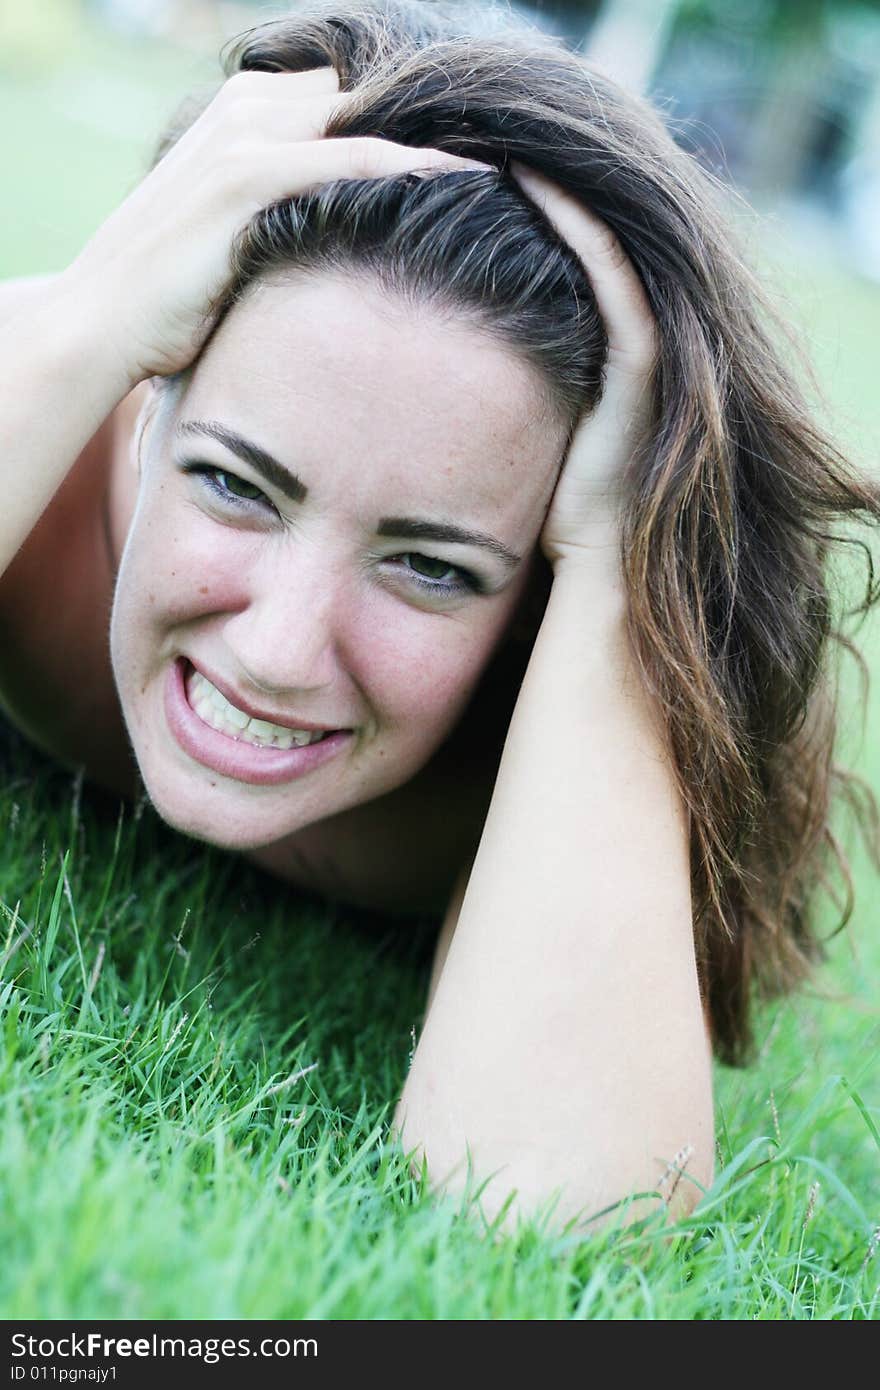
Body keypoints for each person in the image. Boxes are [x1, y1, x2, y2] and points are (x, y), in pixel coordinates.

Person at [2, 0, 878, 1231]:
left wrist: (623, 554)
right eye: (233, 485)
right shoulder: (41, 425)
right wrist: (90, 315)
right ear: (150, 393)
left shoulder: (574, 702)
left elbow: (564, 1208)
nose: (276, 649)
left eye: (432, 567)